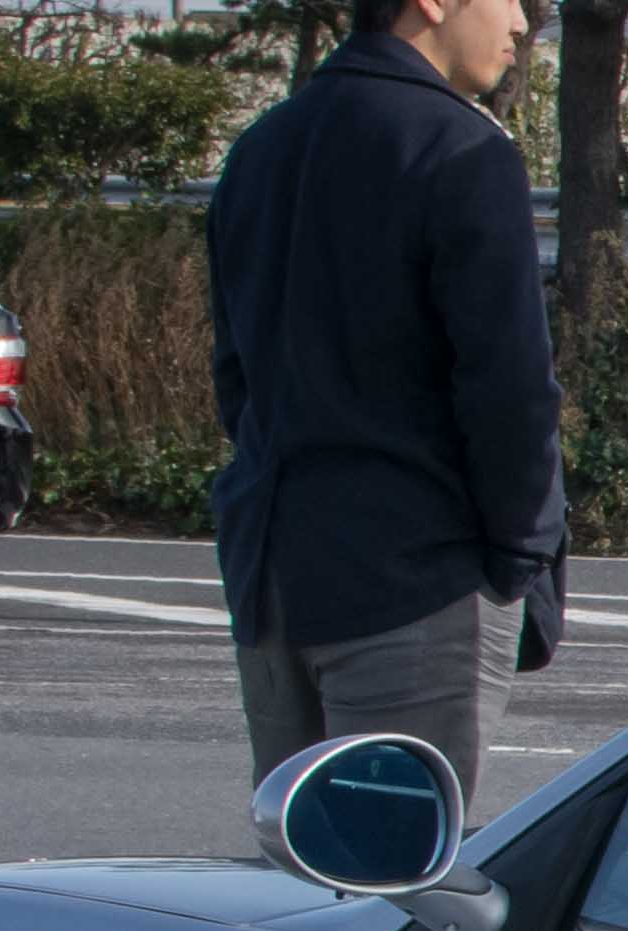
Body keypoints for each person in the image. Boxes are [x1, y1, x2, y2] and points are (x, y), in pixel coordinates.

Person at [203, 0, 569, 791]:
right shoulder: (463, 148)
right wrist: (520, 554)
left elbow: (236, 371)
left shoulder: (262, 146)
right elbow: (509, 385)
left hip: (274, 571)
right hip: (418, 577)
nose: (521, 24)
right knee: (401, 885)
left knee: (301, 879)